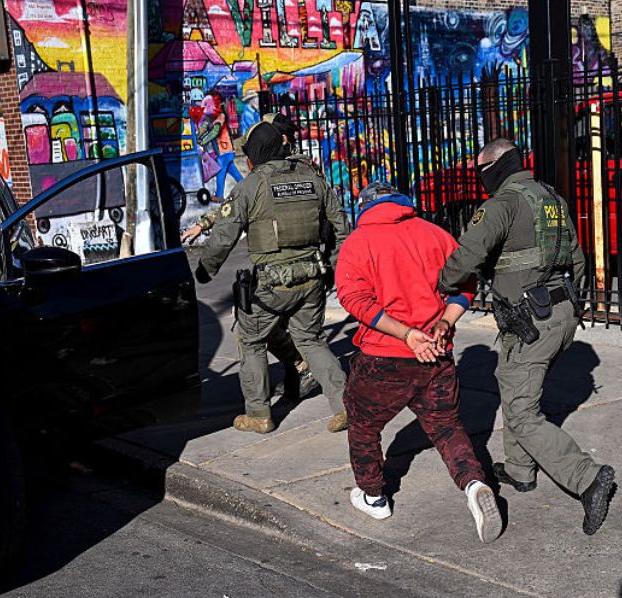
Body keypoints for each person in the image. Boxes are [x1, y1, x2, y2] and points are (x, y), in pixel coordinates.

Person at [437, 138, 616, 535]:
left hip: (532, 319)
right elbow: (578, 259)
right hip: (557, 312)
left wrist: (443, 281)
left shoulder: (503, 204)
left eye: (480, 170)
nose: (480, 178)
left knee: (522, 410)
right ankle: (520, 469)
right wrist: (572, 307)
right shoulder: (550, 197)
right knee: (512, 381)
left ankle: (587, 479)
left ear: (495, 167)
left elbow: (467, 256)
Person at [335, 182, 502, 543]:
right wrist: (444, 322)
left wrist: (407, 334)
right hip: (437, 354)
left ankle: (374, 496)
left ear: (364, 208)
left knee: (363, 425)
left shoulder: (358, 243)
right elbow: (466, 283)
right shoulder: (435, 234)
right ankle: (474, 484)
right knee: (446, 427)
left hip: (384, 357)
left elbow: (355, 299)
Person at [195, 120, 350, 432]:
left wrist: (205, 269)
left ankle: (259, 414)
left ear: (255, 154)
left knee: (251, 339)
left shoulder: (251, 185)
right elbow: (341, 228)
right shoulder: (313, 178)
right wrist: (337, 269)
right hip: (312, 276)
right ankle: (346, 405)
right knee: (311, 339)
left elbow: (225, 236)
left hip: (271, 282)